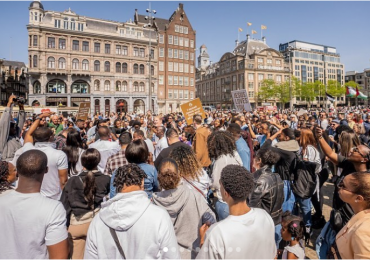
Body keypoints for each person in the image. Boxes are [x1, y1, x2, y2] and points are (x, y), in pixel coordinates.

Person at [84, 163, 180, 259]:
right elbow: (171, 256)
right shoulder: (159, 217)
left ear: (116, 185)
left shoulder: (98, 221)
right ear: (142, 183)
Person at [196, 165, 276, 260]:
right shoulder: (265, 217)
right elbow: (273, 255)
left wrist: (203, 241)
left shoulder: (217, 233)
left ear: (226, 193)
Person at [0, 150, 68, 260]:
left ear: (17, 171)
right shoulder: (53, 209)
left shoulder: (2, 200)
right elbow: (59, 257)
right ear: (46, 170)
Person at [152, 158, 216, 260]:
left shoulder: (153, 203)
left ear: (159, 176)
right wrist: (208, 218)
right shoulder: (193, 195)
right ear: (179, 174)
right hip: (190, 254)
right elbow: (210, 217)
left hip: (165, 255)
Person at [60, 148, 110, 260]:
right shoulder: (106, 179)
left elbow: (64, 205)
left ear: (82, 162)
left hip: (76, 224)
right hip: (96, 224)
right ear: (98, 162)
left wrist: (66, 226)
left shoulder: (72, 180)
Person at [22, 111, 68, 200]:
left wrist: (40, 116)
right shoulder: (59, 154)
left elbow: (29, 134)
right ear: (51, 137)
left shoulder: (28, 150)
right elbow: (63, 181)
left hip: (32, 196)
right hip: (54, 197)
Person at [249, 149, 284, 246]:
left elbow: (252, 207)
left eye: (254, 158)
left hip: (264, 225)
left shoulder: (259, 180)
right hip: (277, 222)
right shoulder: (277, 176)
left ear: (259, 160)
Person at [261, 128, 299, 213]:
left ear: (287, 138)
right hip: (289, 181)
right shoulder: (293, 147)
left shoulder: (285, 150)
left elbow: (264, 147)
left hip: (285, 183)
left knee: (285, 211)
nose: (279, 136)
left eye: (280, 135)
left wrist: (273, 135)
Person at [207, 130, 242, 220]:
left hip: (224, 202)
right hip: (237, 198)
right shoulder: (234, 154)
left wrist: (208, 182)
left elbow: (215, 183)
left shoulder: (221, 160)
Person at [335, 172, 370, 259]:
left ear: (358, 198)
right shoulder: (359, 214)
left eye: (343, 186)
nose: (338, 186)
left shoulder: (362, 231)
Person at [0, 95, 25, 161]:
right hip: (8, 163)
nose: (14, 128)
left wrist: (21, 107)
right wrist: (9, 104)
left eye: (14, 125)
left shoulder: (15, 137)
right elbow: (4, 123)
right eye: (11, 126)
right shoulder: (3, 138)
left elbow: (20, 123)